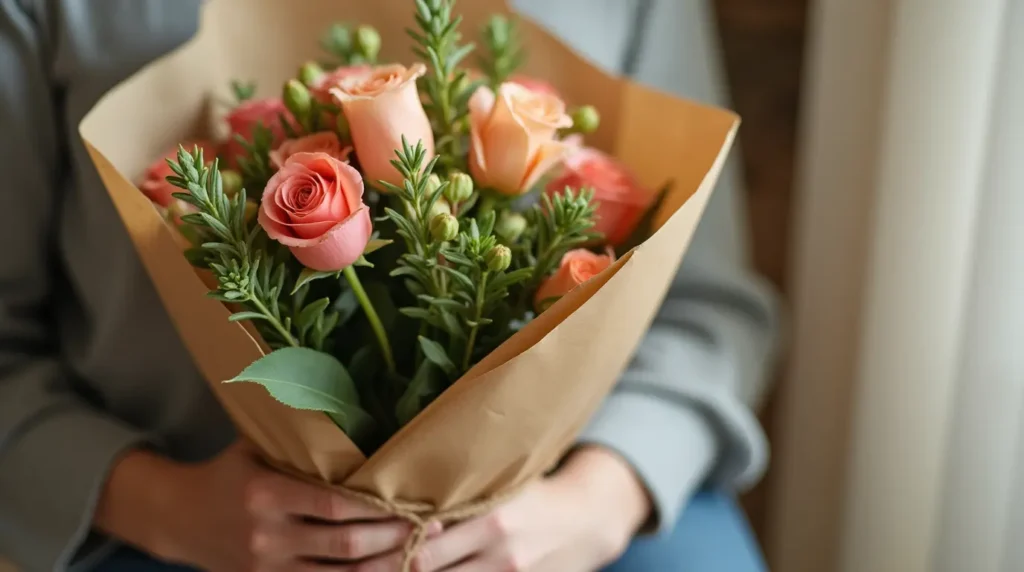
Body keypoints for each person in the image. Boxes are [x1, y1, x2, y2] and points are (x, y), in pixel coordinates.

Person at [0, 0, 780, 570]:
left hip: (560, 501)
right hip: (172, 511)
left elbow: (708, 307)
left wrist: (601, 498)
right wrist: (163, 507)